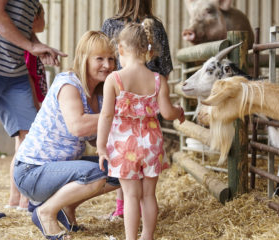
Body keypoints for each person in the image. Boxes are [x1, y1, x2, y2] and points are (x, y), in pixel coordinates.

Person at [13, 31, 120, 239]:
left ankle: (66, 210)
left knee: (120, 169)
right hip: (31, 171)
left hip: (57, 169)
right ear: (83, 59)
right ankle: (45, 212)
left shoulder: (98, 94)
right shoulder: (69, 84)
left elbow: (92, 138)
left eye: (111, 59)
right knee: (97, 175)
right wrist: (115, 114)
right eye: (99, 59)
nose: (107, 65)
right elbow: (78, 127)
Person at [97, 19, 185, 240]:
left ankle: (131, 239)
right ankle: (147, 236)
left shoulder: (114, 79)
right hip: (151, 143)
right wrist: (179, 112)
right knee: (148, 195)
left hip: (124, 144)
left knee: (130, 195)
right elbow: (167, 113)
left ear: (120, 49)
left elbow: (106, 115)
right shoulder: (158, 80)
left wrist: (100, 146)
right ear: (148, 50)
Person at [0, 0, 67, 213]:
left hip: (16, 72)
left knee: (32, 137)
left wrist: (36, 44)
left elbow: (21, 28)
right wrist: (31, 46)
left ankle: (25, 198)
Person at [25, 2, 48, 111]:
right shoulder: (30, 50)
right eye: (43, 16)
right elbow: (28, 77)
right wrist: (36, 106)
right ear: (35, 18)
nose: (45, 21)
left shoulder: (34, 46)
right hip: (32, 103)